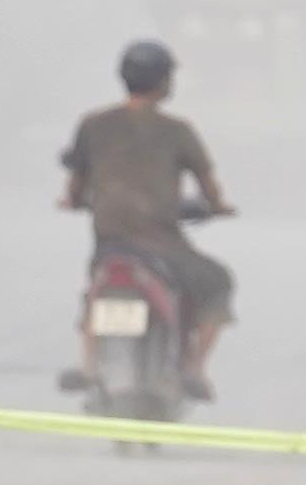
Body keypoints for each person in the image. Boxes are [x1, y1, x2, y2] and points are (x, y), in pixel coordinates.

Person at [60, 38, 237, 396]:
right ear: (165, 82)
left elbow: (75, 185)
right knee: (218, 282)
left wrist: (75, 201)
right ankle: (193, 369)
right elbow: (209, 186)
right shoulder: (177, 131)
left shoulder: (93, 124)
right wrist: (218, 207)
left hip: (111, 240)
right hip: (161, 243)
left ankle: (89, 363)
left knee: (96, 285)